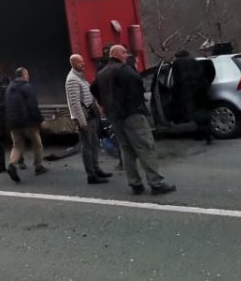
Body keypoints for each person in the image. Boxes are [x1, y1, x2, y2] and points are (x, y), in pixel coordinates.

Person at [95, 45, 176, 195]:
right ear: (117, 54)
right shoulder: (124, 70)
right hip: (131, 115)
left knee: (126, 149)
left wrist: (104, 104)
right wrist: (136, 104)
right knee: (146, 147)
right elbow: (138, 83)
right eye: (124, 52)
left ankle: (135, 183)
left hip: (114, 116)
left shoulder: (102, 73)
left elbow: (94, 88)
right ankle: (156, 183)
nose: (127, 55)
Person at [66, 54, 113, 184]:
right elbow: (74, 103)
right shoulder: (72, 80)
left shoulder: (80, 77)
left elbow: (88, 95)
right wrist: (81, 121)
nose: (83, 64)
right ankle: (91, 174)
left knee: (95, 144)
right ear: (73, 63)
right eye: (80, 62)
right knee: (87, 146)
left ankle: (96, 168)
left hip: (91, 116)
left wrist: (97, 106)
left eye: (83, 61)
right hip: (85, 118)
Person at [4, 67, 48, 182]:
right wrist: (40, 120)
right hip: (27, 122)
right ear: (23, 75)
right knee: (37, 143)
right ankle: (38, 166)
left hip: (13, 123)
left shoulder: (9, 88)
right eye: (27, 74)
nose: (28, 76)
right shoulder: (27, 87)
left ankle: (12, 164)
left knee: (17, 145)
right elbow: (32, 106)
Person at [171, 49, 214, 144]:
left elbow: (176, 79)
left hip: (187, 91)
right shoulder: (194, 61)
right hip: (200, 89)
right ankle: (208, 131)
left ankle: (201, 133)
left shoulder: (176, 63)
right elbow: (202, 74)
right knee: (202, 110)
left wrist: (175, 92)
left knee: (194, 113)